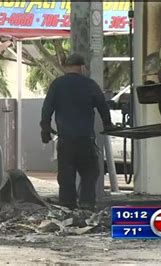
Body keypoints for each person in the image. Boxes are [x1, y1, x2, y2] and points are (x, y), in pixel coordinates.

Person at [40, 53, 114, 211]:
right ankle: (87, 204)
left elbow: (47, 107)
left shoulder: (57, 84)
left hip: (65, 140)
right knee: (90, 172)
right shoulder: (89, 84)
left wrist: (45, 128)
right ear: (82, 67)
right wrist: (108, 125)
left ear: (67, 67)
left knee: (66, 175)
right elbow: (102, 105)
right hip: (85, 139)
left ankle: (68, 206)